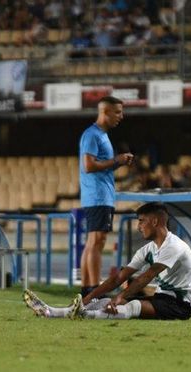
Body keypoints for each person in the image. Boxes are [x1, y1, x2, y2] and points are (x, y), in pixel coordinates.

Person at [23, 202, 191, 320]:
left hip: (182, 305)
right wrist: (89, 297)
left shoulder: (174, 245)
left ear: (155, 221)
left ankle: (85, 315)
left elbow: (146, 276)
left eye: (141, 221)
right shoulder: (148, 249)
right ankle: (51, 312)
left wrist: (121, 296)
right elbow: (117, 279)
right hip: (162, 298)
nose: (138, 227)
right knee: (104, 301)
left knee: (133, 305)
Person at [78, 95, 134, 297]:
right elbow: (89, 165)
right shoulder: (92, 135)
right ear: (105, 112)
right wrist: (116, 160)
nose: (121, 116)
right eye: (118, 112)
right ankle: (94, 289)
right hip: (98, 196)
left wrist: (117, 162)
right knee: (97, 241)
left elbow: (99, 165)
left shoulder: (101, 135)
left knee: (94, 241)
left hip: (101, 195)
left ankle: (86, 289)